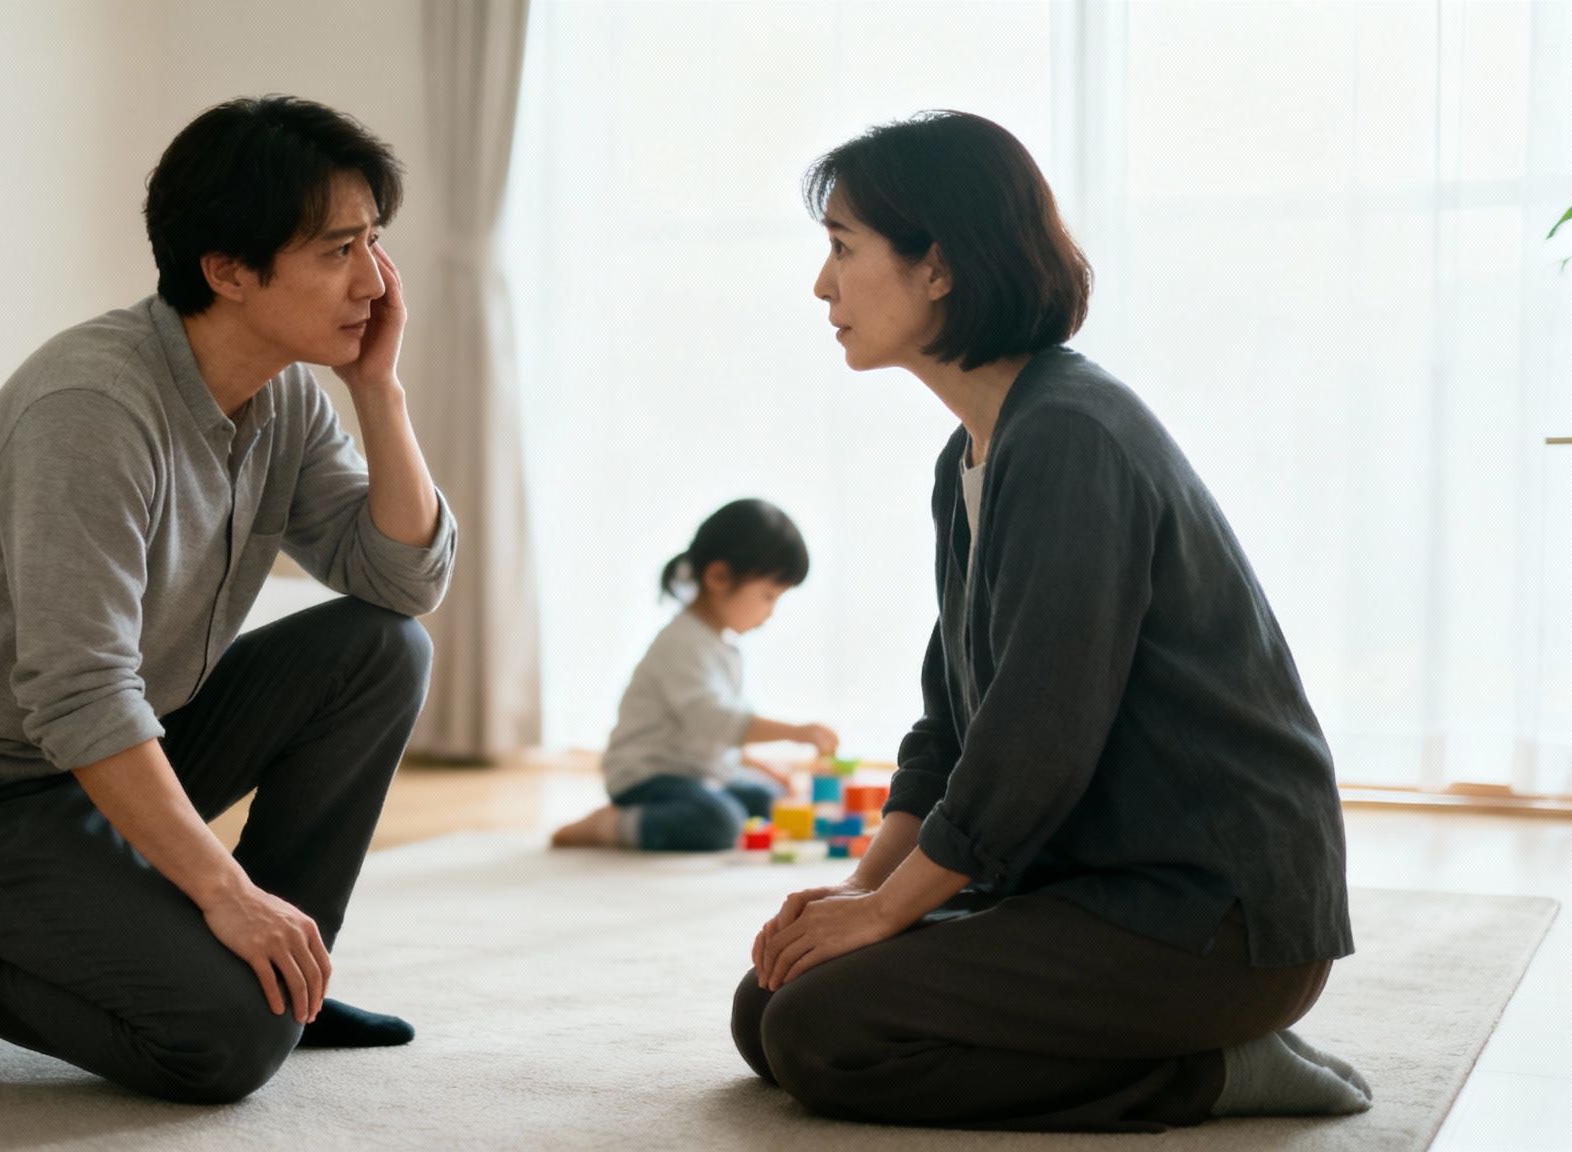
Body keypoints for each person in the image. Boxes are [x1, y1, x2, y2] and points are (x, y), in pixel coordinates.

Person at [730, 111, 1370, 1131]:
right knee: (768, 1006)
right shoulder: (972, 458)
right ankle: (1177, 1048)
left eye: (841, 250)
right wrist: (848, 902)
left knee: (822, 1038)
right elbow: (949, 731)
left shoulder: (1070, 438)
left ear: (935, 266)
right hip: (1088, 883)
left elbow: (1034, 740)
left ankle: (1215, 1073)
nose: (821, 286)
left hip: (1210, 920)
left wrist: (893, 915)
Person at [0, 96, 456, 1104]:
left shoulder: (288, 394)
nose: (375, 281)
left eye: (374, 241)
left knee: (381, 648)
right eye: (339, 248)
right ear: (226, 269)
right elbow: (81, 692)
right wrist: (219, 891)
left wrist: (379, 392)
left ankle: (285, 970)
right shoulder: (93, 408)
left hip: (113, 760)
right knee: (221, 1047)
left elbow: (401, 582)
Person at [551, 499, 839, 852]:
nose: (770, 613)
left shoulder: (721, 647)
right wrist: (797, 732)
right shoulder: (682, 644)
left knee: (768, 800)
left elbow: (714, 738)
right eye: (768, 596)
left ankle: (680, 812)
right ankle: (609, 825)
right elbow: (714, 720)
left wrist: (761, 766)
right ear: (718, 577)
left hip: (696, 775)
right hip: (649, 778)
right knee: (719, 822)